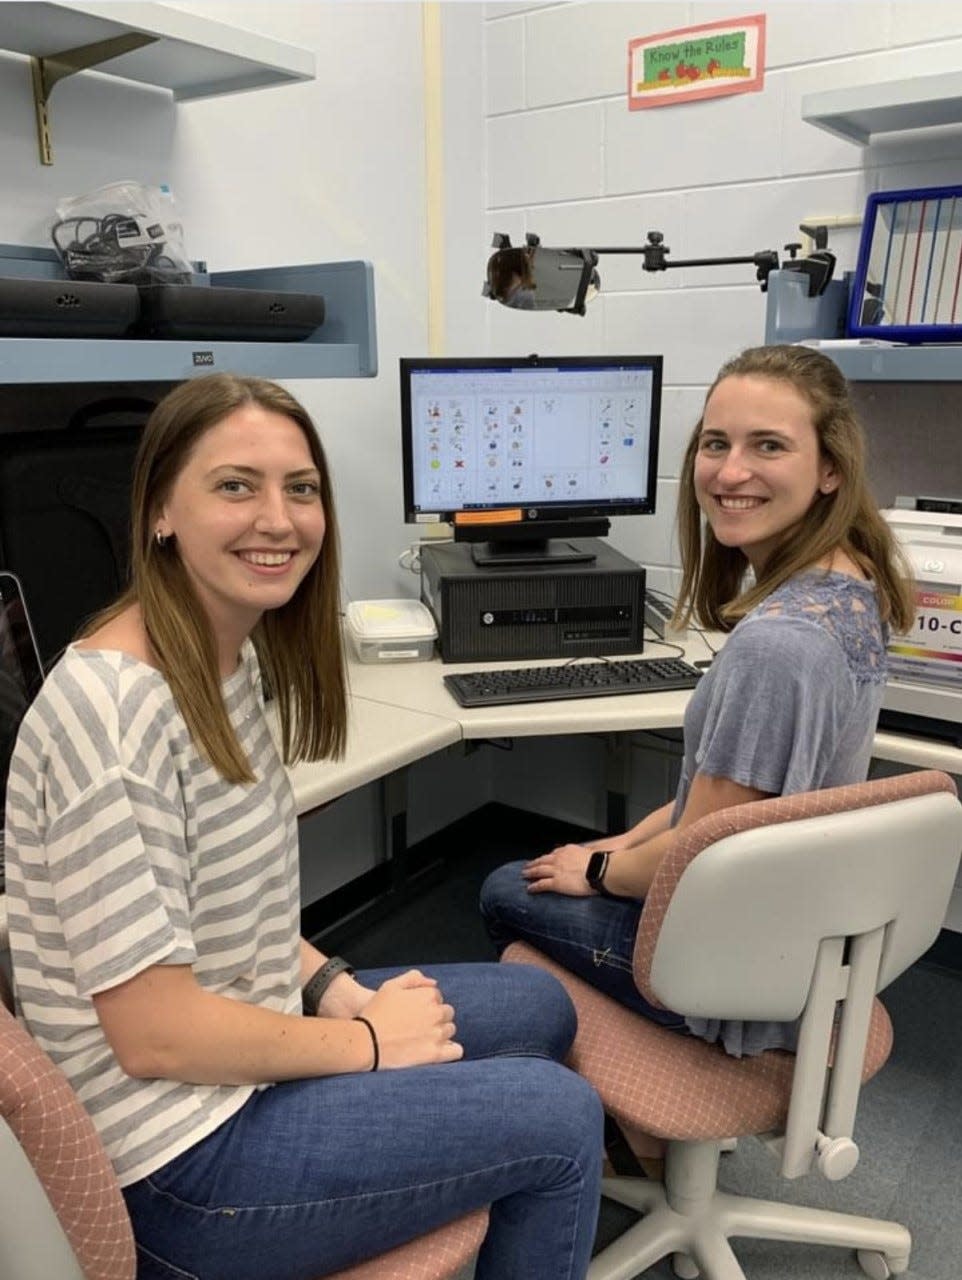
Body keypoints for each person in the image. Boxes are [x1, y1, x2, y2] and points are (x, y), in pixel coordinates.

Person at [4, 373, 603, 1280]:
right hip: (175, 1157)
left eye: (301, 488)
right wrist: (367, 1045)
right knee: (559, 1120)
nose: (278, 520)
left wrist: (337, 991)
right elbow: (155, 1034)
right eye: (235, 485)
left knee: (536, 1005)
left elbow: (231, 911)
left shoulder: (225, 656)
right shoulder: (114, 711)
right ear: (161, 509)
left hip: (240, 1049)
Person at [481, 343, 915, 1061]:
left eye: (767, 446)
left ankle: (631, 1115)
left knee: (506, 888)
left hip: (727, 980)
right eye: (716, 443)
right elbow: (710, 809)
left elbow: (698, 855)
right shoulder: (850, 589)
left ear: (830, 468)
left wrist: (593, 873)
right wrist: (612, 848)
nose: (729, 472)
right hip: (791, 939)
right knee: (580, 857)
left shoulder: (777, 646)